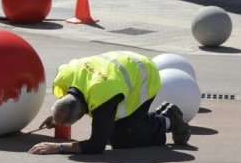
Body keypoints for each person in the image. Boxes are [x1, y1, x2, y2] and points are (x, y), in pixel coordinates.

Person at [28, 51, 191, 155]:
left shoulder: (103, 96)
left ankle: (168, 120)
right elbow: (67, 102)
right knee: (111, 129)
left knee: (121, 139)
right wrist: (57, 117)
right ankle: (157, 117)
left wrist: (58, 148)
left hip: (144, 76)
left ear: (81, 115)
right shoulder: (65, 76)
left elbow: (96, 146)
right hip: (122, 63)